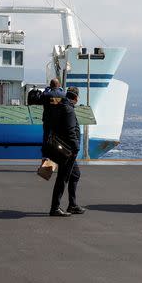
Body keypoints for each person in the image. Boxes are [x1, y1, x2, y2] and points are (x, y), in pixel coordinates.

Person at [45, 87, 84, 217]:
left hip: (60, 147)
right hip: (68, 150)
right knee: (62, 178)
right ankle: (55, 208)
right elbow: (71, 131)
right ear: (76, 97)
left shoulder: (59, 106)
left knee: (75, 175)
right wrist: (76, 148)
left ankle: (72, 205)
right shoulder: (69, 110)